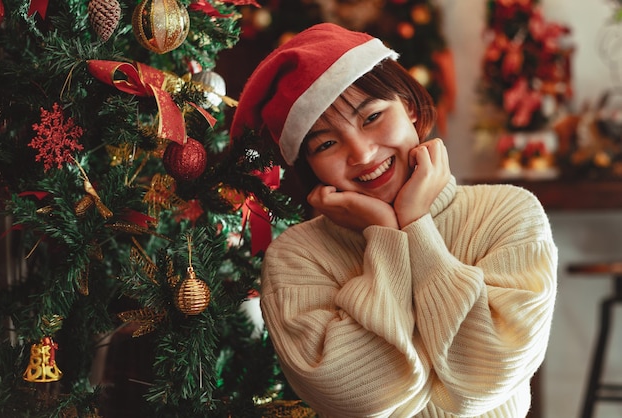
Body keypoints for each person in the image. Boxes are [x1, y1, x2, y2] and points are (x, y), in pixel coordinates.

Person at [230, 23, 557, 418]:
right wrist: (385, 234)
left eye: (372, 117)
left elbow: (484, 377)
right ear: (310, 167)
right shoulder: (296, 257)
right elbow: (366, 397)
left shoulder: (509, 213)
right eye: (327, 143)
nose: (363, 153)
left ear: (412, 110)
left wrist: (416, 223)